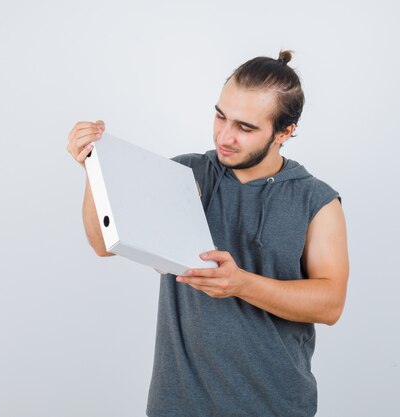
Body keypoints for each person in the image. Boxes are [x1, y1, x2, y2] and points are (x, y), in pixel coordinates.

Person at [66, 50, 349, 417]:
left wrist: (241, 284)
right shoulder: (185, 176)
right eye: (220, 116)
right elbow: (104, 245)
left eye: (245, 128)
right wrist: (93, 166)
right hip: (178, 405)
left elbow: (330, 304)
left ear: (285, 131)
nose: (225, 136)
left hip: (275, 406)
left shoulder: (317, 200)